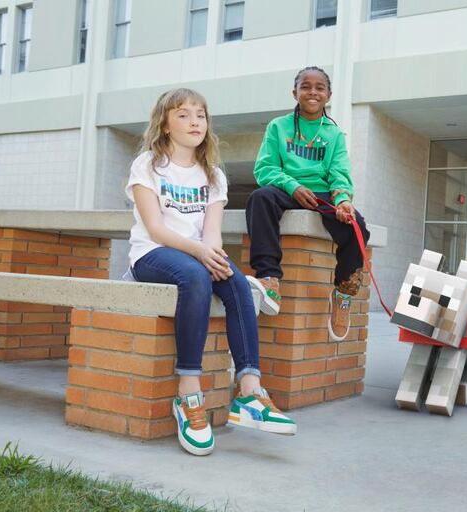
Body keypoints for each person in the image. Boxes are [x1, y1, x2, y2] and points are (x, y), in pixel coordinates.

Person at [126, 88, 296, 457]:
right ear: (165, 125)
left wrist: (214, 255)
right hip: (153, 254)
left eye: (200, 115)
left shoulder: (213, 174)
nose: (194, 122)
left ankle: (250, 392)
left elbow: (212, 233)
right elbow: (156, 229)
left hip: (197, 254)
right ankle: (188, 395)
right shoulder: (148, 165)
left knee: (238, 284)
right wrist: (202, 254)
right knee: (196, 277)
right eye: (183, 114)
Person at [246, 66, 370, 342]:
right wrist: (292, 186)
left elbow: (339, 173)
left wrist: (342, 200)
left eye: (319, 88)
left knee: (356, 226)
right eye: (306, 86)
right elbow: (265, 168)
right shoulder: (278, 126)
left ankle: (343, 292)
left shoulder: (334, 134)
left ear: (328, 95)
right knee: (260, 198)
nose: (312, 92)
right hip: (285, 188)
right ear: (295, 92)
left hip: (322, 193)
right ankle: (268, 278)